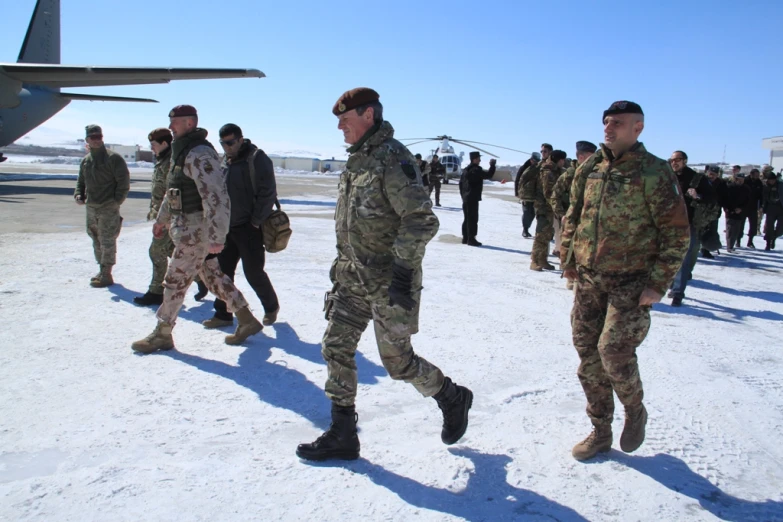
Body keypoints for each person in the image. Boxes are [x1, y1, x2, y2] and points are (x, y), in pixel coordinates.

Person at [296, 88, 472, 462]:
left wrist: (402, 271)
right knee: (335, 346)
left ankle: (451, 396)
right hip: (351, 279)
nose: (340, 126)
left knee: (398, 363)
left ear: (369, 115)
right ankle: (343, 433)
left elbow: (421, 219)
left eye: (346, 118)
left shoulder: (393, 159)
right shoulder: (358, 160)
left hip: (388, 282)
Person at [561, 101, 689, 461]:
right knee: (588, 356)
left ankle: (635, 411)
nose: (608, 127)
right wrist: (568, 258)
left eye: (617, 122)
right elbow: (575, 213)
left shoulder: (654, 172)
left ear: (638, 128)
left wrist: (658, 283)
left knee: (613, 352)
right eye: (605, 121)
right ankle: (600, 430)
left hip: (631, 281)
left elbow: (677, 233)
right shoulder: (590, 168)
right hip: (589, 279)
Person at [131, 105, 263, 354]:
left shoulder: (200, 154)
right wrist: (162, 220)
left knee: (175, 281)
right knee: (213, 278)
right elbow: (174, 191)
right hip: (186, 227)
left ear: (190, 123)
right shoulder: (181, 152)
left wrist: (216, 236)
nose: (171, 127)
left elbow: (217, 196)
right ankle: (246, 320)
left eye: (175, 122)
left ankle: (162, 333)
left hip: (197, 231)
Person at [201, 123, 281, 329]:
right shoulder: (225, 162)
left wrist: (255, 222)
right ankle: (223, 315)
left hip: (249, 228)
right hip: (227, 228)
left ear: (240, 139)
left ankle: (271, 307)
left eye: (230, 142)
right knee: (223, 273)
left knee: (253, 272)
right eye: (223, 143)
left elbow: (268, 193)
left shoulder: (257, 159)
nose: (227, 147)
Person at [74, 124, 130, 288]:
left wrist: (116, 202)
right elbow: (81, 181)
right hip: (91, 207)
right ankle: (101, 269)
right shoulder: (86, 161)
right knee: (95, 238)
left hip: (108, 207)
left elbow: (123, 183)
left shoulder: (113, 159)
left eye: (99, 137)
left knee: (107, 240)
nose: (97, 140)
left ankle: (107, 273)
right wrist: (79, 194)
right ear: (87, 140)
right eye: (93, 138)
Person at [667, 150, 716, 307]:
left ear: (685, 161)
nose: (674, 162)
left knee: (684, 257)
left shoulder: (697, 179)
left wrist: (698, 196)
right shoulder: (667, 175)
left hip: (689, 223)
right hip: (667, 222)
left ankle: (677, 293)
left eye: (678, 160)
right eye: (672, 160)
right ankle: (671, 283)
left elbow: (712, 198)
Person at [551, 141, 597, 287]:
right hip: (571, 220)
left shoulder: (596, 173)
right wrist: (562, 214)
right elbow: (555, 196)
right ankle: (571, 278)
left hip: (588, 222)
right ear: (582, 157)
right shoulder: (570, 174)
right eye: (591, 157)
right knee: (569, 248)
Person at [530, 149, 566, 270]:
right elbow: (548, 192)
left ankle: (542, 259)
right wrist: (557, 206)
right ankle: (534, 261)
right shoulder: (548, 171)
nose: (564, 163)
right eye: (563, 160)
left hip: (549, 208)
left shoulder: (554, 170)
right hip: (544, 207)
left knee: (547, 235)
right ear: (560, 160)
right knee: (541, 234)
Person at [459, 151, 496, 246]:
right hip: (472, 197)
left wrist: (463, 196)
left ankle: (465, 238)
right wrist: (492, 166)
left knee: (467, 218)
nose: (480, 160)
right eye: (479, 158)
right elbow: (488, 175)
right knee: (473, 218)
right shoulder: (476, 169)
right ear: (474, 159)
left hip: (466, 198)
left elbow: (460, 184)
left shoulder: (466, 170)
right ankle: (471, 239)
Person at [700, 165, 727, 258]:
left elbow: (724, 197)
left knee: (711, 231)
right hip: (700, 212)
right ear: (707, 172)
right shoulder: (701, 181)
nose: (712, 176)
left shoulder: (721, 184)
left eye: (715, 174)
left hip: (714, 212)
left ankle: (706, 250)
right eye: (711, 174)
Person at [724, 173, 751, 252]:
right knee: (730, 229)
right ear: (735, 179)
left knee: (736, 230)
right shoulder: (729, 187)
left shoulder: (746, 189)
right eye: (739, 179)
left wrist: (741, 208)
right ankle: (729, 246)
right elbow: (724, 199)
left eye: (742, 180)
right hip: (730, 211)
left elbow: (748, 201)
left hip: (740, 212)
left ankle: (732, 245)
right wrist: (727, 208)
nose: (740, 181)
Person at [516, 152, 541, 237]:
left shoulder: (538, 168)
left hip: (534, 195)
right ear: (531, 160)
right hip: (526, 195)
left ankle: (527, 228)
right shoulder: (525, 168)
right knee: (527, 213)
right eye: (534, 161)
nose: (536, 162)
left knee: (532, 213)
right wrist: (517, 192)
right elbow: (518, 180)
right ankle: (525, 229)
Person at [762, 167, 783, 250]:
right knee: (769, 227)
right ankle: (768, 243)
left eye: (773, 180)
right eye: (770, 180)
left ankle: (773, 237)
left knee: (780, 228)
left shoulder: (781, 185)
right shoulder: (765, 186)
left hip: (781, 208)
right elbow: (762, 197)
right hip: (770, 208)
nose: (771, 181)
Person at [745, 168, 764, 248]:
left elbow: (761, 196)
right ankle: (738, 240)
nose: (756, 177)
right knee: (740, 225)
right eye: (755, 175)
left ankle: (750, 241)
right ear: (751, 174)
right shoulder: (745, 181)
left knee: (753, 225)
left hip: (753, 207)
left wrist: (761, 206)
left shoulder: (759, 183)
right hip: (744, 206)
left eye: (758, 175)